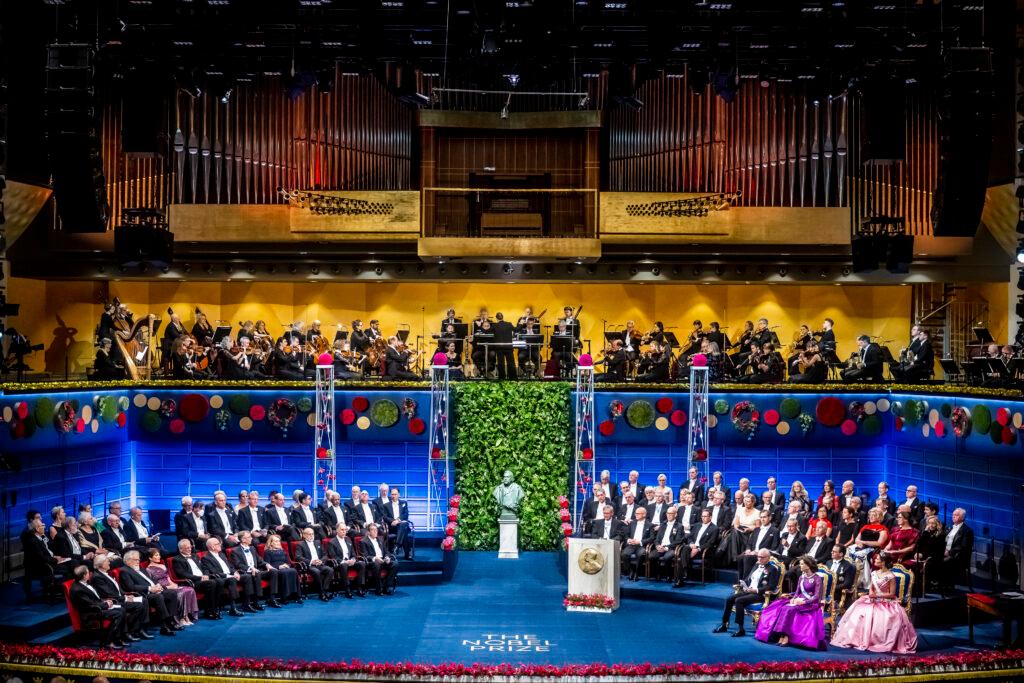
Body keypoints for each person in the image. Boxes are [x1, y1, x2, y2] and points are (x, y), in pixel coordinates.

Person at [831, 553, 918, 653]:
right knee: (859, 609)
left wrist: (877, 596)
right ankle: (856, 639)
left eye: (877, 559)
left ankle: (876, 641)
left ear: (883, 562)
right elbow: (871, 588)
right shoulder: (874, 573)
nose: (875, 561)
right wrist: (871, 594)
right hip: (872, 599)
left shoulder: (891, 576)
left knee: (881, 615)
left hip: (886, 602)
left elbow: (891, 594)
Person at [755, 555, 827, 650]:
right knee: (782, 606)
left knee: (789, 609)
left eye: (801, 564)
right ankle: (782, 635)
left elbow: (817, 596)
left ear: (808, 565)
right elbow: (797, 592)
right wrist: (793, 599)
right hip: (798, 601)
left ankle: (786, 636)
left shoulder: (817, 578)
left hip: (810, 604)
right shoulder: (801, 577)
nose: (800, 566)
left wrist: (804, 602)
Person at [714, 548, 780, 637]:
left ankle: (741, 629)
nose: (759, 559)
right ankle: (724, 624)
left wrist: (756, 590)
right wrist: (743, 584)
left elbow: (772, 586)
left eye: (762, 557)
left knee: (739, 600)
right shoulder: (756, 565)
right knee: (729, 598)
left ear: (768, 557)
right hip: (749, 590)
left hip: (760, 594)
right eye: (758, 557)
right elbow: (749, 578)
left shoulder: (773, 569)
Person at [119, 550, 181, 636]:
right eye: (136, 560)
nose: (138, 561)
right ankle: (164, 626)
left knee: (172, 593)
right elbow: (131, 587)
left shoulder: (140, 568)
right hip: (144, 594)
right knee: (158, 597)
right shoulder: (124, 571)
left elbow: (151, 579)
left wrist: (157, 585)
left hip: (154, 590)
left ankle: (171, 620)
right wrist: (150, 589)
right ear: (128, 560)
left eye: (138, 559)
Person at [69, 564, 128, 649]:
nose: (90, 574)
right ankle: (109, 641)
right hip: (90, 612)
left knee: (122, 609)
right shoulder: (77, 589)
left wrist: (105, 601)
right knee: (118, 613)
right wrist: (106, 604)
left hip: (97, 607)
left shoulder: (85, 583)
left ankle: (118, 638)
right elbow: (89, 604)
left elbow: (96, 599)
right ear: (84, 575)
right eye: (88, 573)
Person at [171, 538, 224, 619]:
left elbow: (204, 567)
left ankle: (216, 608)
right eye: (187, 548)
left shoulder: (194, 555)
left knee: (219, 581)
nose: (189, 549)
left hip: (203, 578)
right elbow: (183, 574)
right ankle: (208, 611)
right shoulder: (177, 559)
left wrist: (206, 575)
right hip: (193, 581)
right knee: (212, 583)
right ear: (181, 549)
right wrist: (199, 578)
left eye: (190, 547)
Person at [145, 548, 198, 626]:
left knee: (189, 589)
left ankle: (187, 616)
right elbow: (154, 583)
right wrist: (169, 587)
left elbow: (168, 578)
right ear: (150, 558)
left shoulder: (162, 565)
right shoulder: (148, 569)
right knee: (181, 593)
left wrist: (174, 584)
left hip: (170, 585)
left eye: (159, 554)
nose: (159, 556)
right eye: (156, 555)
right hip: (163, 588)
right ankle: (180, 618)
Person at [230, 530, 281, 610]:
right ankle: (256, 601)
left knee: (273, 571)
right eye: (249, 537)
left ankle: (272, 598)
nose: (251, 539)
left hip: (257, 570)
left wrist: (267, 564)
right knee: (256, 574)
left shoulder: (252, 548)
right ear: (243, 539)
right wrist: (250, 568)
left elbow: (260, 560)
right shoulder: (235, 551)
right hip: (247, 572)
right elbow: (238, 564)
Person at [199, 538, 246, 616]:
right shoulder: (206, 558)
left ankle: (247, 603)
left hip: (229, 575)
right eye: (218, 543)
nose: (220, 545)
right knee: (232, 580)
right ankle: (233, 607)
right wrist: (229, 575)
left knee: (247, 577)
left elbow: (230, 566)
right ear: (212, 547)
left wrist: (235, 572)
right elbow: (213, 571)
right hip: (220, 577)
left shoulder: (222, 554)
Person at [847, 508, 890, 589]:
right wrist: (859, 543)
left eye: (873, 515)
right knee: (848, 550)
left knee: (862, 556)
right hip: (861, 546)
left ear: (879, 517)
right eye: (870, 515)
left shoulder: (883, 529)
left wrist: (864, 542)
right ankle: (851, 579)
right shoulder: (865, 527)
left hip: (874, 548)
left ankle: (865, 582)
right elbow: (857, 539)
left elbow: (879, 543)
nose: (871, 517)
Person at [293, 527, 335, 601]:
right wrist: (311, 562)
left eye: (312, 534)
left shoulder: (318, 542)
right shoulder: (300, 544)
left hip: (319, 564)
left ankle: (324, 590)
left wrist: (321, 561)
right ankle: (321, 593)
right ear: (304, 535)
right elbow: (298, 557)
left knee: (330, 570)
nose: (311, 536)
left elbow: (325, 555)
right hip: (309, 565)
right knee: (316, 572)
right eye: (309, 534)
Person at [327, 523, 366, 598]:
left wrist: (353, 559)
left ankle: (359, 588)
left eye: (345, 530)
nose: (344, 531)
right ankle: (347, 589)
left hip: (350, 562)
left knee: (362, 564)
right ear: (337, 531)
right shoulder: (332, 542)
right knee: (344, 565)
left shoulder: (348, 539)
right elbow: (333, 556)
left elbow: (353, 553)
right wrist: (344, 561)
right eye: (342, 530)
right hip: (340, 564)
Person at [738, 510, 780, 576]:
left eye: (764, 517)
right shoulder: (756, 529)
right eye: (761, 517)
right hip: (752, 553)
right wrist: (748, 549)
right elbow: (750, 543)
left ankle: (746, 582)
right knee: (740, 557)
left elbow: (774, 547)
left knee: (747, 558)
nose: (762, 519)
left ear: (770, 518)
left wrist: (758, 553)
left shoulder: (775, 531)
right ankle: (740, 582)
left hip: (763, 555)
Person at [941, 507, 974, 591]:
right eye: (953, 515)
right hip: (944, 552)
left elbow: (963, 546)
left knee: (943, 562)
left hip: (957, 556)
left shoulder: (967, 531)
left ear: (962, 517)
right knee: (932, 558)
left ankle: (947, 585)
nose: (953, 516)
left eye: (956, 515)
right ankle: (935, 582)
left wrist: (949, 552)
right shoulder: (949, 527)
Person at [360, 523, 398, 595]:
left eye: (376, 530)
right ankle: (379, 588)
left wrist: (387, 557)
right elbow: (365, 555)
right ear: (368, 532)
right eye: (373, 530)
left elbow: (386, 552)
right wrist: (375, 558)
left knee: (395, 564)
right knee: (377, 565)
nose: (375, 531)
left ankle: (386, 586)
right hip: (373, 562)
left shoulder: (380, 539)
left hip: (383, 560)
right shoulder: (363, 541)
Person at [262, 534, 301, 603]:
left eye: (279, 541)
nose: (278, 543)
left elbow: (288, 562)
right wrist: (279, 567)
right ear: (271, 543)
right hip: (275, 570)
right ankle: (284, 597)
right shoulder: (267, 552)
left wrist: (286, 565)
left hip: (285, 568)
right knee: (285, 572)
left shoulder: (283, 551)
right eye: (276, 541)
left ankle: (296, 595)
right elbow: (267, 564)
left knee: (293, 570)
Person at [621, 507, 654, 581]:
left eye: (638, 513)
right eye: (635, 513)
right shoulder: (632, 523)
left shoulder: (650, 525)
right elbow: (626, 535)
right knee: (624, 554)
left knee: (641, 554)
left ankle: (637, 572)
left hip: (641, 545)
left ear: (644, 514)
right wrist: (629, 540)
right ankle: (631, 571)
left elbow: (652, 538)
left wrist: (640, 542)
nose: (636, 515)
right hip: (632, 545)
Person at [381, 488, 414, 560]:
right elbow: (385, 517)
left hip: (401, 525)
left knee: (403, 525)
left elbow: (406, 515)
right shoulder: (386, 505)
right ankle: (407, 554)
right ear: (390, 495)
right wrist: (393, 521)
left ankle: (397, 546)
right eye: (392, 494)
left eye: (395, 494)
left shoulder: (404, 503)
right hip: (392, 527)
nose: (394, 496)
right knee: (404, 532)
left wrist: (398, 520)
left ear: (398, 495)